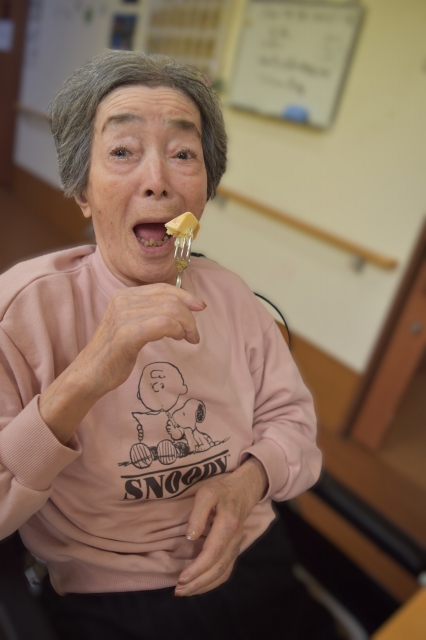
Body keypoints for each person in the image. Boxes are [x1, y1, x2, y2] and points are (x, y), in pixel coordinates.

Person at [0, 50, 333, 639]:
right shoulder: (23, 310)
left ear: (205, 189)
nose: (157, 180)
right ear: (82, 191)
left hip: (251, 551)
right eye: (122, 151)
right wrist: (88, 374)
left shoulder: (232, 296)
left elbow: (293, 423)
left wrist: (249, 482)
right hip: (114, 597)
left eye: (183, 154)